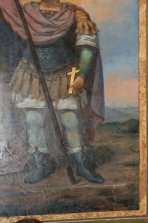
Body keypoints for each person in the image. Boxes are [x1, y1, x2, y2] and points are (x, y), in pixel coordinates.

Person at [1, 0, 105, 184]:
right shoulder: (24, 13)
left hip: (64, 73)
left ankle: (80, 164)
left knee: (70, 120)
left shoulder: (75, 14)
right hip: (31, 73)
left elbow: (87, 46)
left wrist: (81, 75)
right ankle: (40, 163)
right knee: (34, 120)